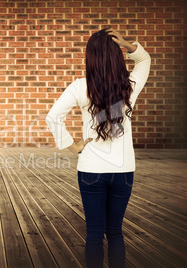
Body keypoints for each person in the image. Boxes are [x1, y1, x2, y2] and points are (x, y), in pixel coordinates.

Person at [45, 28, 151, 267]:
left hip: (91, 170)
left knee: (94, 233)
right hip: (123, 170)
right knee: (115, 232)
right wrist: (126, 43)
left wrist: (72, 147)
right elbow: (144, 59)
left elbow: (52, 117)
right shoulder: (130, 85)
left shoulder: (80, 86)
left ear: (90, 57)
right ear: (117, 55)